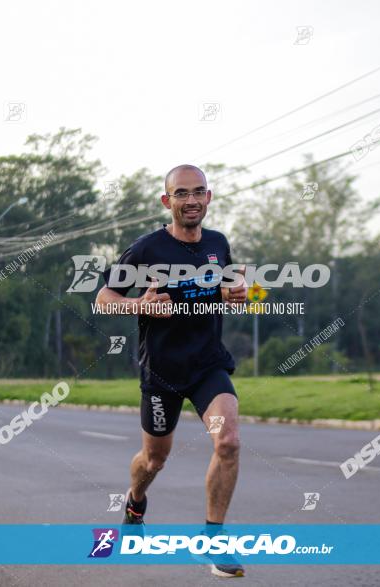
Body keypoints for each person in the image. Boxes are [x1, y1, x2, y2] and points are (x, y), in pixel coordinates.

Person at [95, 164, 248, 577]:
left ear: (209, 197)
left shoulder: (217, 243)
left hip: (207, 365)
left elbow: (230, 287)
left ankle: (214, 539)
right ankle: (135, 504)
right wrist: (138, 305)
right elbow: (104, 297)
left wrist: (238, 293)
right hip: (161, 372)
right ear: (168, 201)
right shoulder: (146, 250)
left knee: (228, 441)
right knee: (154, 459)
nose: (192, 200)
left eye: (199, 192)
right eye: (182, 193)